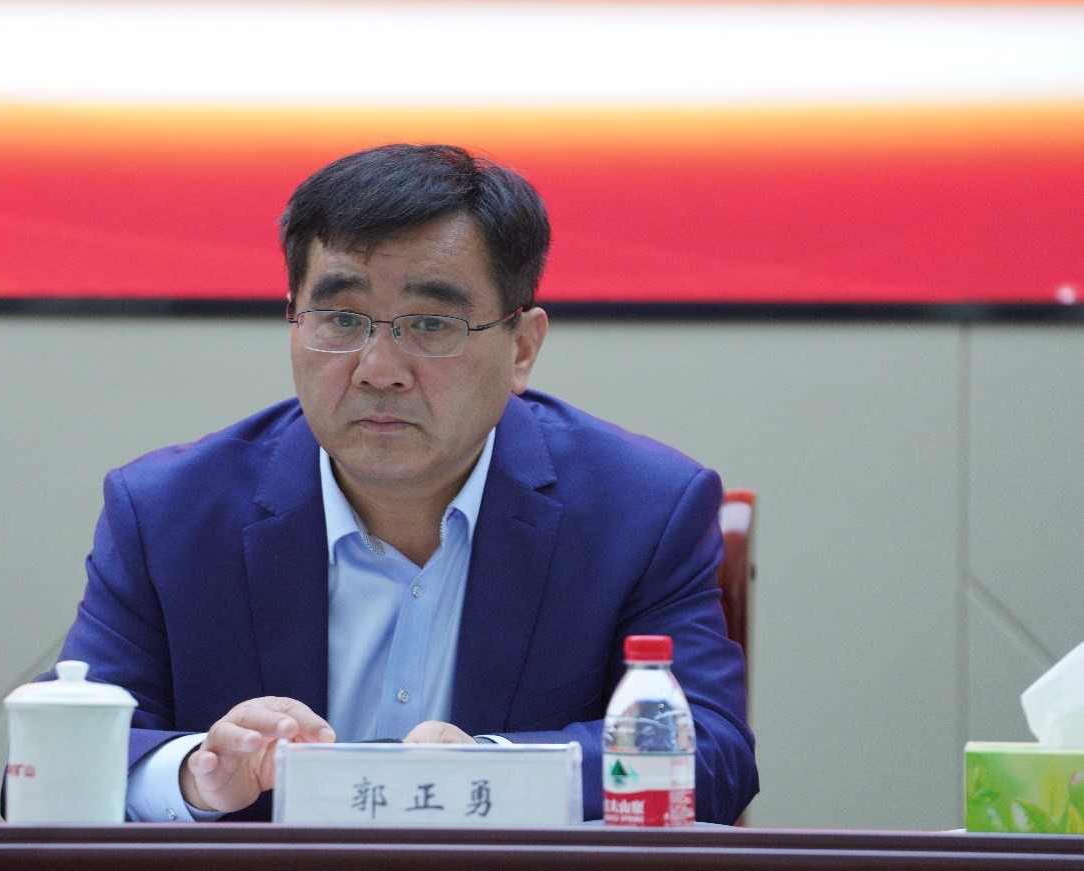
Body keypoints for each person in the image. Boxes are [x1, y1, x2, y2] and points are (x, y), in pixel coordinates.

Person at [51, 143, 757, 824]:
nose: (379, 369)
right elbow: (58, 757)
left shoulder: (642, 511)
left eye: (430, 324)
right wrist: (193, 774)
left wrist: (491, 769)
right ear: (292, 321)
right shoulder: (167, 514)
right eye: (341, 319)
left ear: (521, 347)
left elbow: (711, 754)